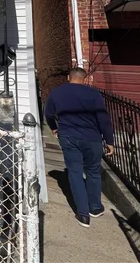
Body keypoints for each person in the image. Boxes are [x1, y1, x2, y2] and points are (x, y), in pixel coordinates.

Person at [45, 67, 115, 228]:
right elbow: (103, 118)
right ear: (84, 79)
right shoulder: (94, 94)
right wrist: (109, 140)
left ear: (68, 77)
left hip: (68, 137)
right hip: (93, 138)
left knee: (75, 173)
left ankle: (83, 214)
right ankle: (95, 207)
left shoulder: (57, 92)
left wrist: (54, 127)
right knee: (93, 172)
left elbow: (48, 113)